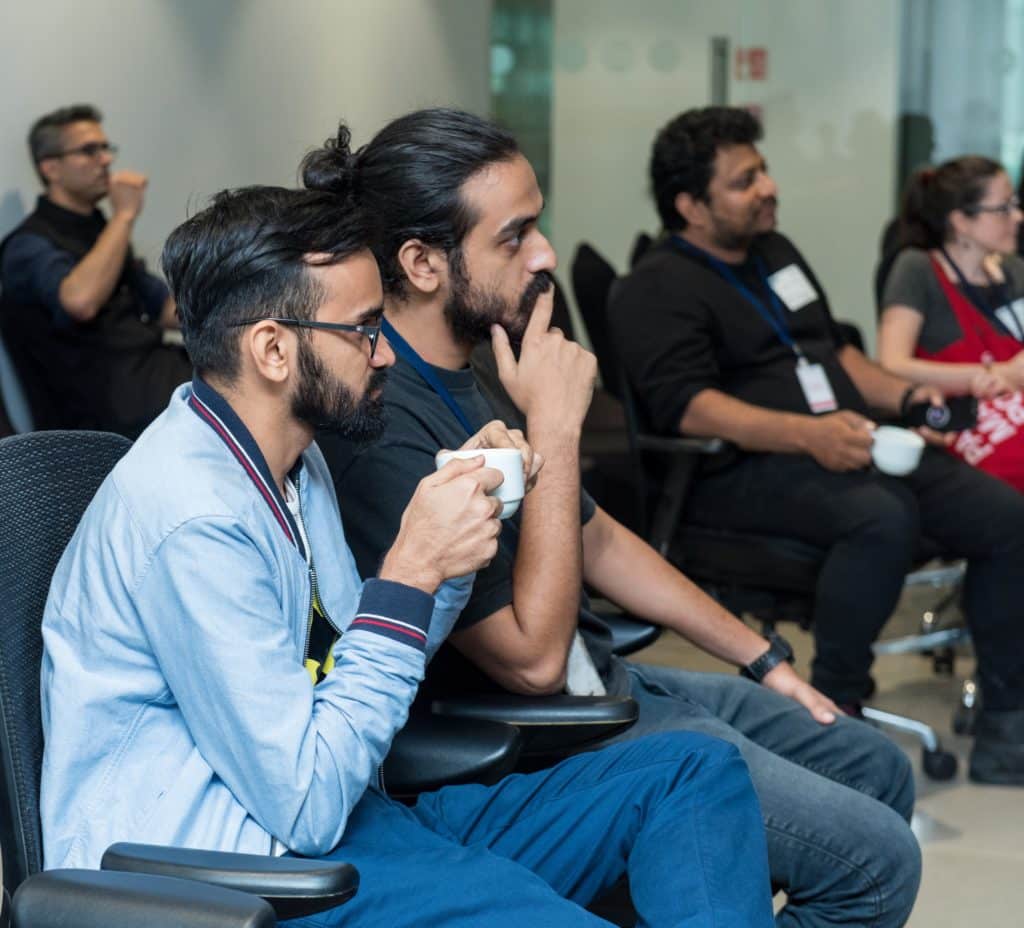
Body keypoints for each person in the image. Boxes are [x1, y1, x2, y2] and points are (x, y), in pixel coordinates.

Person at [39, 182, 775, 928]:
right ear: (271, 348)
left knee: (690, 772)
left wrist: (450, 547)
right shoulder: (192, 516)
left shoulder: (292, 461)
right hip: (251, 871)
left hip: (358, 819)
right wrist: (412, 569)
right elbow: (305, 802)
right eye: (363, 329)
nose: (385, 352)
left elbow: (355, 667)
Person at [306, 108, 922, 928]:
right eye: (515, 236)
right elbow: (532, 664)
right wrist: (556, 432)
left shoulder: (474, 364)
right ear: (421, 263)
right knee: (877, 866)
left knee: (873, 766)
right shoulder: (382, 427)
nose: (546, 255)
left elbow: (595, 536)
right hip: (544, 731)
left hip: (612, 685)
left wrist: (764, 657)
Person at [607, 104, 1024, 786]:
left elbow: (834, 354)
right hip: (736, 475)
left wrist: (907, 398)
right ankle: (837, 711)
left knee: (1003, 516)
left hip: (847, 445)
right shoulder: (655, 288)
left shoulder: (776, 251)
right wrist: (810, 436)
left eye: (763, 171)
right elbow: (688, 409)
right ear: (690, 205)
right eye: (744, 181)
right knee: (881, 514)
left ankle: (1010, 723)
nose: (768, 187)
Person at [0, 104, 190, 436]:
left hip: (156, 376)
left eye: (105, 148)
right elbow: (80, 301)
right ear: (51, 168)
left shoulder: (99, 230)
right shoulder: (26, 246)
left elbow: (163, 307)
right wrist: (124, 216)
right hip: (108, 410)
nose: (105, 160)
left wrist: (233, 314)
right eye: (89, 151)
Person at [878, 156, 1024, 490]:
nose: (1017, 217)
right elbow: (892, 365)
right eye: (1003, 208)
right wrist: (987, 376)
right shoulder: (918, 269)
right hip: (964, 425)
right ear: (961, 221)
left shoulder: (1015, 271)